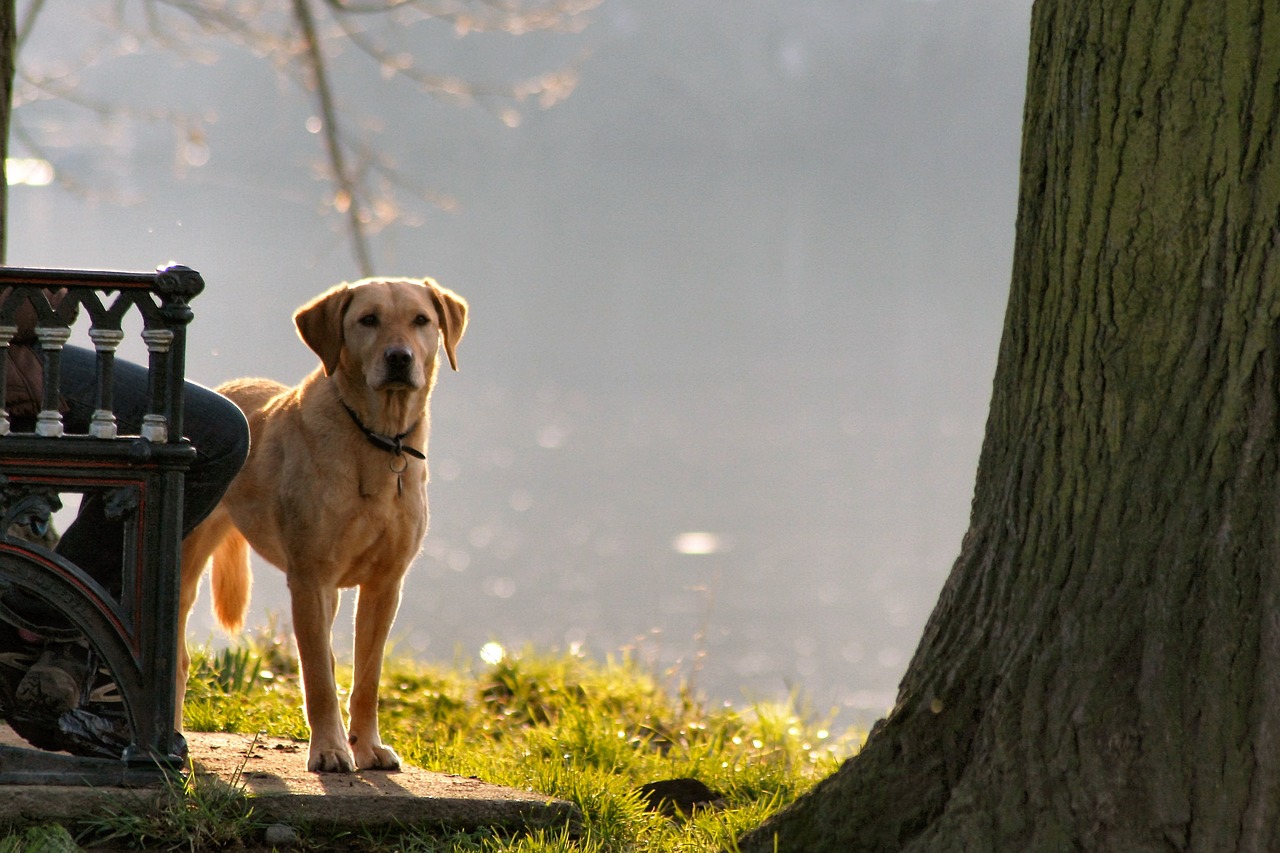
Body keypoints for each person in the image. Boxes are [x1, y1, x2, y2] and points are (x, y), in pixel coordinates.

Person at [0, 289, 249, 755]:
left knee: (191, 431)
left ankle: (49, 633)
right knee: (215, 433)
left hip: (15, 356)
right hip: (13, 365)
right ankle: (45, 629)